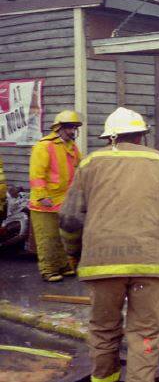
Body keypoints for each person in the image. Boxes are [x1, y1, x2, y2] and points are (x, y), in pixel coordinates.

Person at [59, 107, 159, 382]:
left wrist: (73, 254)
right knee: (144, 334)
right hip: (148, 264)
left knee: (104, 330)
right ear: (142, 135)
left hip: (101, 264)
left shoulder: (90, 164)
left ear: (111, 138)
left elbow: (70, 218)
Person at [29, 110, 82, 282]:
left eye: (74, 127)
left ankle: (64, 265)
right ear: (58, 128)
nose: (72, 131)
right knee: (47, 238)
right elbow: (37, 174)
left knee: (62, 237)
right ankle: (49, 270)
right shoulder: (44, 146)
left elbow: (79, 169)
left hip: (64, 201)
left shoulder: (72, 147)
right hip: (45, 202)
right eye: (68, 127)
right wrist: (42, 196)